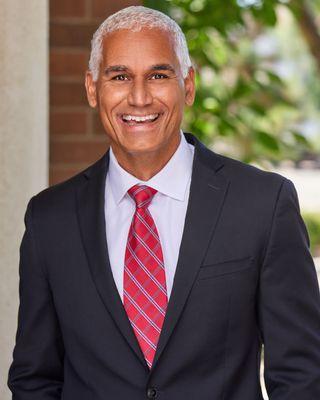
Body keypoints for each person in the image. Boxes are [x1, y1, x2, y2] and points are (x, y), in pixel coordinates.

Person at [7, 6, 320, 400]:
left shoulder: (263, 204)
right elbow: (34, 380)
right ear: (92, 89)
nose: (139, 97)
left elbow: (302, 377)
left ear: (188, 85)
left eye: (158, 75)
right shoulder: (49, 219)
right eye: (119, 76)